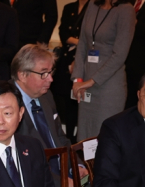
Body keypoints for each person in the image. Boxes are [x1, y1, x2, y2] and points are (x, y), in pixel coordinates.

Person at [11, 44, 89, 187]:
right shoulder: (7, 104)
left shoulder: (46, 96)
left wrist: (77, 165)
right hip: (37, 185)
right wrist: (60, 183)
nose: (51, 79)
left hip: (64, 172)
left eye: (50, 72)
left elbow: (60, 138)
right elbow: (21, 162)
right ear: (22, 75)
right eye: (43, 74)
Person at [72, 0, 135, 141]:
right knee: (84, 135)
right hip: (85, 86)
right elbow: (82, 43)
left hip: (109, 87)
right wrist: (78, 79)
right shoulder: (93, 5)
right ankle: (85, 164)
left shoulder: (126, 10)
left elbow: (120, 55)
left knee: (104, 137)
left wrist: (91, 81)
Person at [51, 0, 89, 143]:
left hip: (85, 58)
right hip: (66, 58)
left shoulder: (94, 7)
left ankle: (79, 137)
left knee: (79, 100)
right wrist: (78, 41)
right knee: (64, 97)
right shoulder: (69, 7)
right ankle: (67, 136)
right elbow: (63, 32)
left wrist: (79, 46)